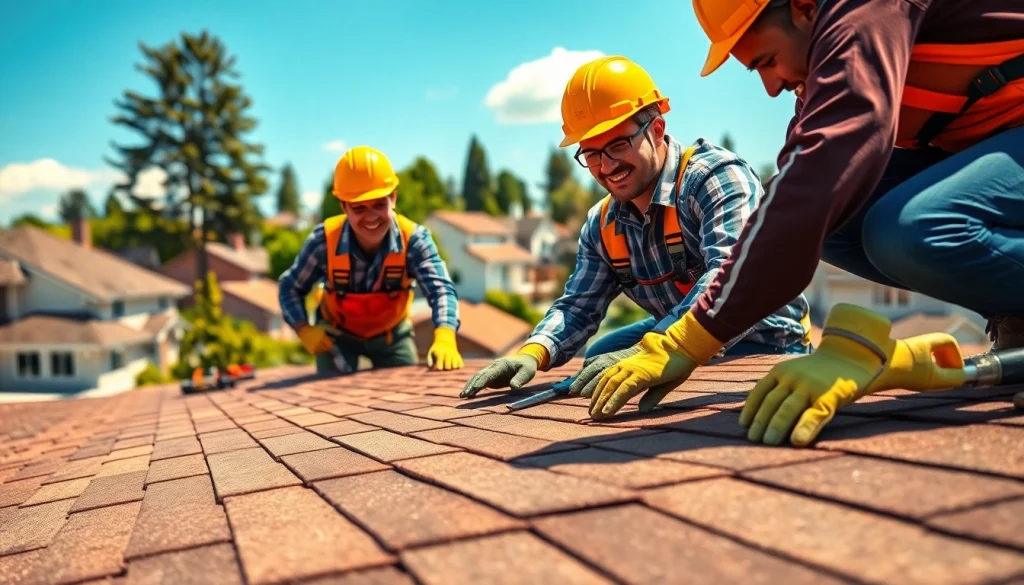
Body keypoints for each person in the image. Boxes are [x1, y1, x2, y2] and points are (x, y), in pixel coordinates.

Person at [578, 0, 1024, 440]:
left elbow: (822, 170)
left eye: (767, 61)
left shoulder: (865, 10)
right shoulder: (822, 78)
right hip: (998, 148)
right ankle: (1015, 315)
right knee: (836, 222)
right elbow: (790, 197)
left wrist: (686, 341)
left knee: (913, 229)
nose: (771, 87)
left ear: (805, 8)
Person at [461, 55, 812, 400]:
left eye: (617, 145)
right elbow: (579, 305)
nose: (606, 165)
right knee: (600, 356)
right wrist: (533, 353)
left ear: (657, 130)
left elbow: (732, 274)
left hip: (763, 338)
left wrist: (657, 350)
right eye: (592, 153)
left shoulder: (713, 178)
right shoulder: (602, 225)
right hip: (673, 332)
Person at [278, 145, 464, 375]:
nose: (371, 216)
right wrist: (304, 329)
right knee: (329, 394)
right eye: (359, 208)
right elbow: (290, 287)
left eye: (379, 204)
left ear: (393, 198)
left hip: (391, 335)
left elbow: (441, 290)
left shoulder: (415, 240)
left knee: (405, 389)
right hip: (335, 336)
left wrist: (445, 334)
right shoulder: (323, 241)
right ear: (344, 206)